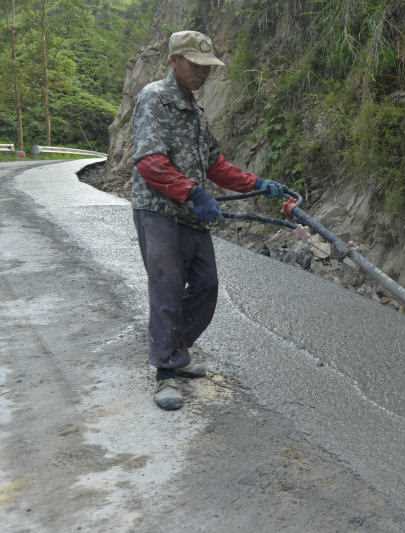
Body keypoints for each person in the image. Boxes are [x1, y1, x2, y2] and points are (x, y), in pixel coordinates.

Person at [130, 30, 287, 411]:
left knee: (206, 285)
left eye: (207, 67)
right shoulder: (154, 99)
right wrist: (193, 193)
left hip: (190, 215)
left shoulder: (194, 109)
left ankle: (174, 352)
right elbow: (150, 162)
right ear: (174, 61)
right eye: (195, 65)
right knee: (167, 290)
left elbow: (214, 163)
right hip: (159, 211)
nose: (202, 73)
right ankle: (166, 371)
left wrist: (258, 184)